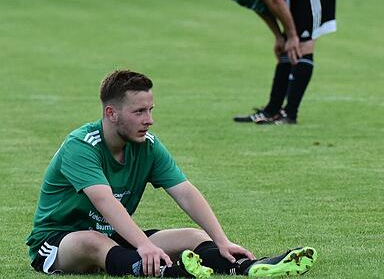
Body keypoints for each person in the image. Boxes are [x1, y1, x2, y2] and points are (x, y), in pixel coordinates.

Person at [26, 70, 316, 277]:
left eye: (150, 110)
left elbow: (185, 193)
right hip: (56, 243)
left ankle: (246, 267)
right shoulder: (81, 145)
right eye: (139, 112)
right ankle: (171, 273)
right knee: (92, 240)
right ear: (111, 113)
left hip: (114, 235)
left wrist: (222, 240)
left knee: (193, 236)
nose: (149, 120)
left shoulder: (147, 145)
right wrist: (143, 244)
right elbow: (105, 201)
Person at [177, 0, 337, 125]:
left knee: (303, 44)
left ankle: (290, 114)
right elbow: (261, 5)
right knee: (287, 48)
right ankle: (272, 111)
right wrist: (279, 36)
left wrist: (292, 36)